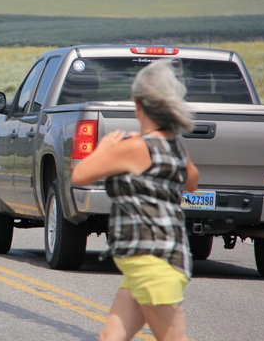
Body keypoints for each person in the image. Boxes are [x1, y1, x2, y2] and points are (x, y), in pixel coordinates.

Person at [71, 60, 199, 341]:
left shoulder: (134, 148)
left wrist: (104, 148)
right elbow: (192, 180)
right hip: (153, 256)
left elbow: (80, 175)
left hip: (151, 260)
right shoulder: (174, 144)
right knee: (110, 337)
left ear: (138, 105)